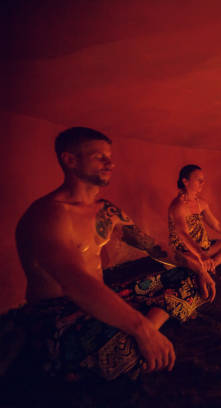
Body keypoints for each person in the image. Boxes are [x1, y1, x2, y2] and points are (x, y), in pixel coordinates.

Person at [14, 127, 206, 380]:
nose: (110, 163)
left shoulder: (106, 211)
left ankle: (147, 331)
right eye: (99, 157)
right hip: (58, 317)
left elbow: (153, 247)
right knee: (124, 348)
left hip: (104, 298)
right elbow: (75, 283)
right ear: (70, 160)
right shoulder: (48, 215)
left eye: (109, 156)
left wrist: (198, 267)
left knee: (188, 278)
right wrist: (140, 329)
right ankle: (142, 336)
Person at [168, 164, 221, 284]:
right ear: (185, 181)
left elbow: (217, 225)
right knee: (197, 265)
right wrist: (201, 255)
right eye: (199, 180)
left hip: (204, 248)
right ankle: (204, 267)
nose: (202, 183)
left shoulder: (202, 203)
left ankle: (212, 265)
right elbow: (183, 234)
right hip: (185, 252)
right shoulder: (178, 206)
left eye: (203, 180)